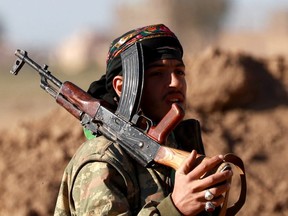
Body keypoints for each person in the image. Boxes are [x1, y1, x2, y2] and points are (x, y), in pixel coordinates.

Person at [54, 24, 233, 216]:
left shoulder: (177, 143)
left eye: (180, 72)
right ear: (122, 88)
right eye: (157, 74)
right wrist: (174, 208)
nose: (175, 83)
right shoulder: (103, 160)